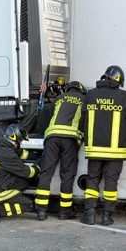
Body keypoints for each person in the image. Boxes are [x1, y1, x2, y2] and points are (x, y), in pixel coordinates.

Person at [35, 81, 87, 221]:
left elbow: (49, 115)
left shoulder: (59, 98)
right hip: (69, 139)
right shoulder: (83, 100)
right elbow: (85, 122)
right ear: (81, 90)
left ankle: (41, 210)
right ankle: (65, 212)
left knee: (46, 172)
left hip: (52, 137)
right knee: (67, 175)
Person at [81, 65, 126, 226]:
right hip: (116, 152)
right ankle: (107, 217)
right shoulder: (123, 96)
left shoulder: (91, 94)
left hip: (94, 150)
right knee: (111, 183)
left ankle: (90, 215)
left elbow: (82, 120)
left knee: (92, 180)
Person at [0, 124, 40, 223]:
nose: (20, 143)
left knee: (22, 182)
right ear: (15, 139)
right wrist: (38, 166)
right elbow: (28, 173)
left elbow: (20, 152)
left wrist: (34, 154)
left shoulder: (1, 145)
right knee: (27, 203)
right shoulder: (8, 155)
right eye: (20, 141)